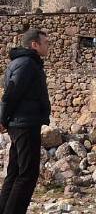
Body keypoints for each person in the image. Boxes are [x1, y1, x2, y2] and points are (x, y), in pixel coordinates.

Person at [0, 29, 51, 214]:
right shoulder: (27, 64)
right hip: (24, 124)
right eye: (45, 42)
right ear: (34, 45)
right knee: (27, 174)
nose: (48, 46)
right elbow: (11, 93)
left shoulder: (24, 62)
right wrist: (2, 118)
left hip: (22, 122)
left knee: (15, 173)